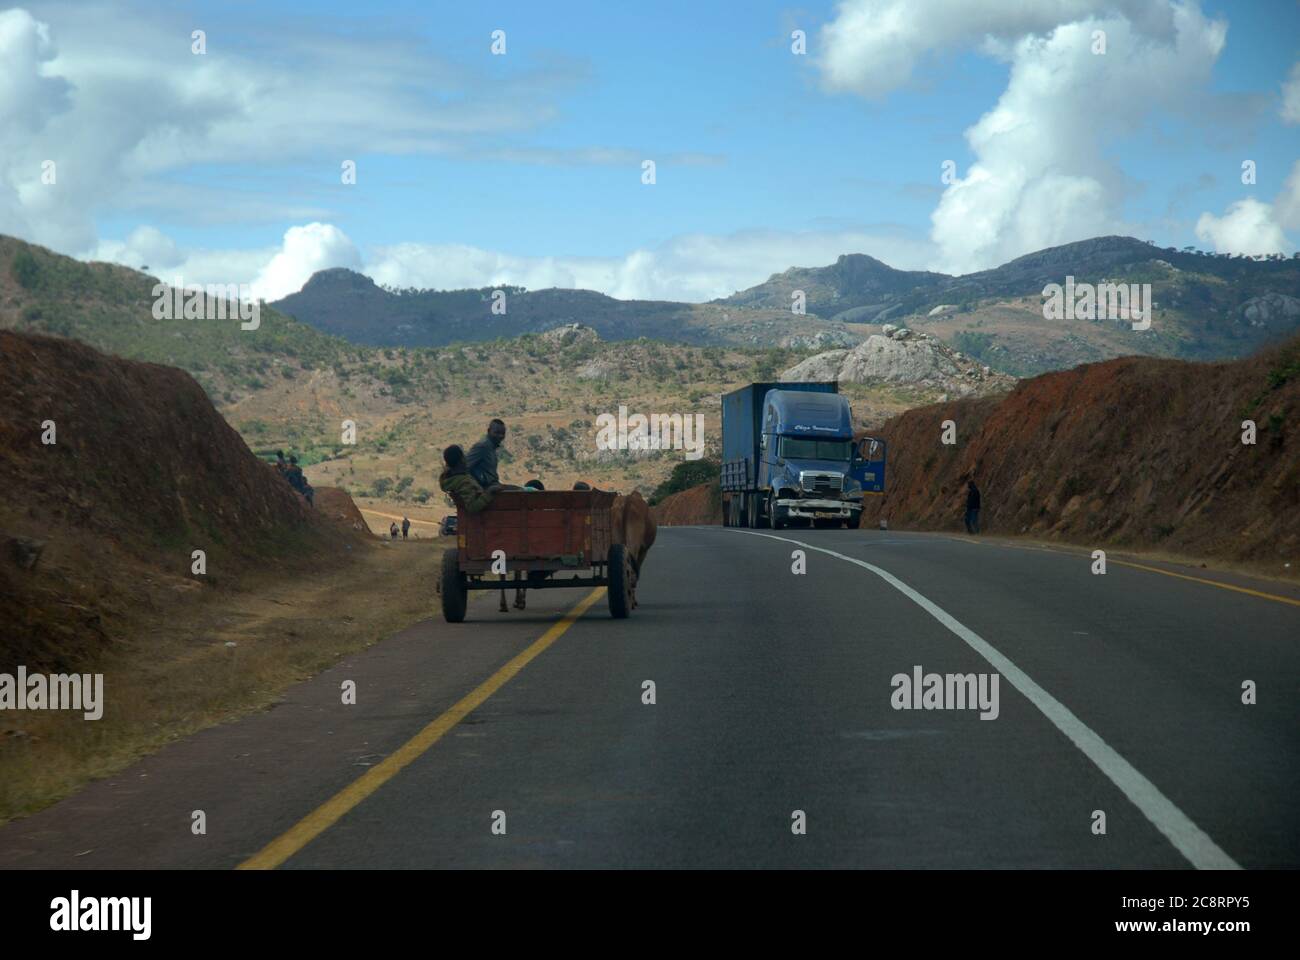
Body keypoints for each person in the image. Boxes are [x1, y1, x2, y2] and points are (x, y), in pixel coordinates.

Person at [438, 444, 500, 513]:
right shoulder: (463, 483)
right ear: (461, 460)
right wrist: (489, 492)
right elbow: (472, 507)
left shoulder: (453, 480)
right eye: (463, 456)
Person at [466, 419, 507, 489]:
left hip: (494, 486)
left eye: (503, 433)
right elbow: (464, 466)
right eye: (497, 432)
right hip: (487, 489)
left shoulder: (492, 448)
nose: (500, 436)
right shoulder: (482, 447)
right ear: (489, 431)